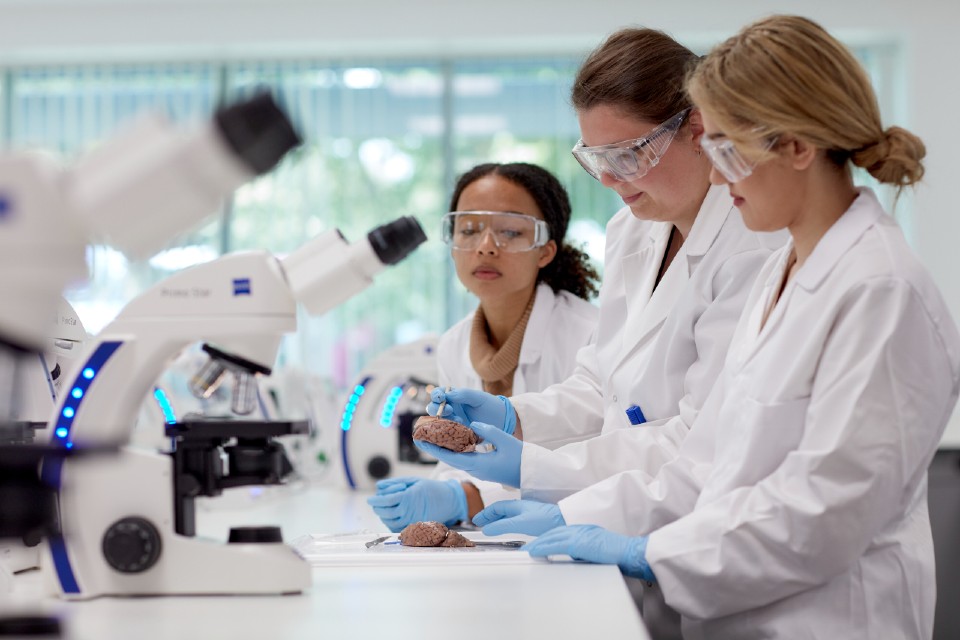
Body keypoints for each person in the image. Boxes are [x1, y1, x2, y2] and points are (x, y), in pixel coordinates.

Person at [509, 15, 960, 639]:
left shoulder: (879, 291)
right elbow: (705, 462)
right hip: (735, 614)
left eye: (725, 149)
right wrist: (570, 513)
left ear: (797, 147)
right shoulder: (785, 272)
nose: (716, 175)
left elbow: (824, 514)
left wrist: (652, 554)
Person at [420, 29, 783, 526]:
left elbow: (698, 439)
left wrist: (534, 468)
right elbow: (602, 383)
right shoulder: (632, 229)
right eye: (597, 160)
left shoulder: (752, 245)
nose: (610, 180)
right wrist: (515, 417)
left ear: (696, 128)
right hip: (635, 513)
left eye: (628, 155)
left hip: (698, 521)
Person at [367, 162, 600, 531]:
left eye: (510, 231)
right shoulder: (453, 345)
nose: (486, 247)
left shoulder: (590, 335)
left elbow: (592, 466)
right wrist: (443, 490)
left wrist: (468, 500)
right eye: (470, 230)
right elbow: (459, 461)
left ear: (546, 251)